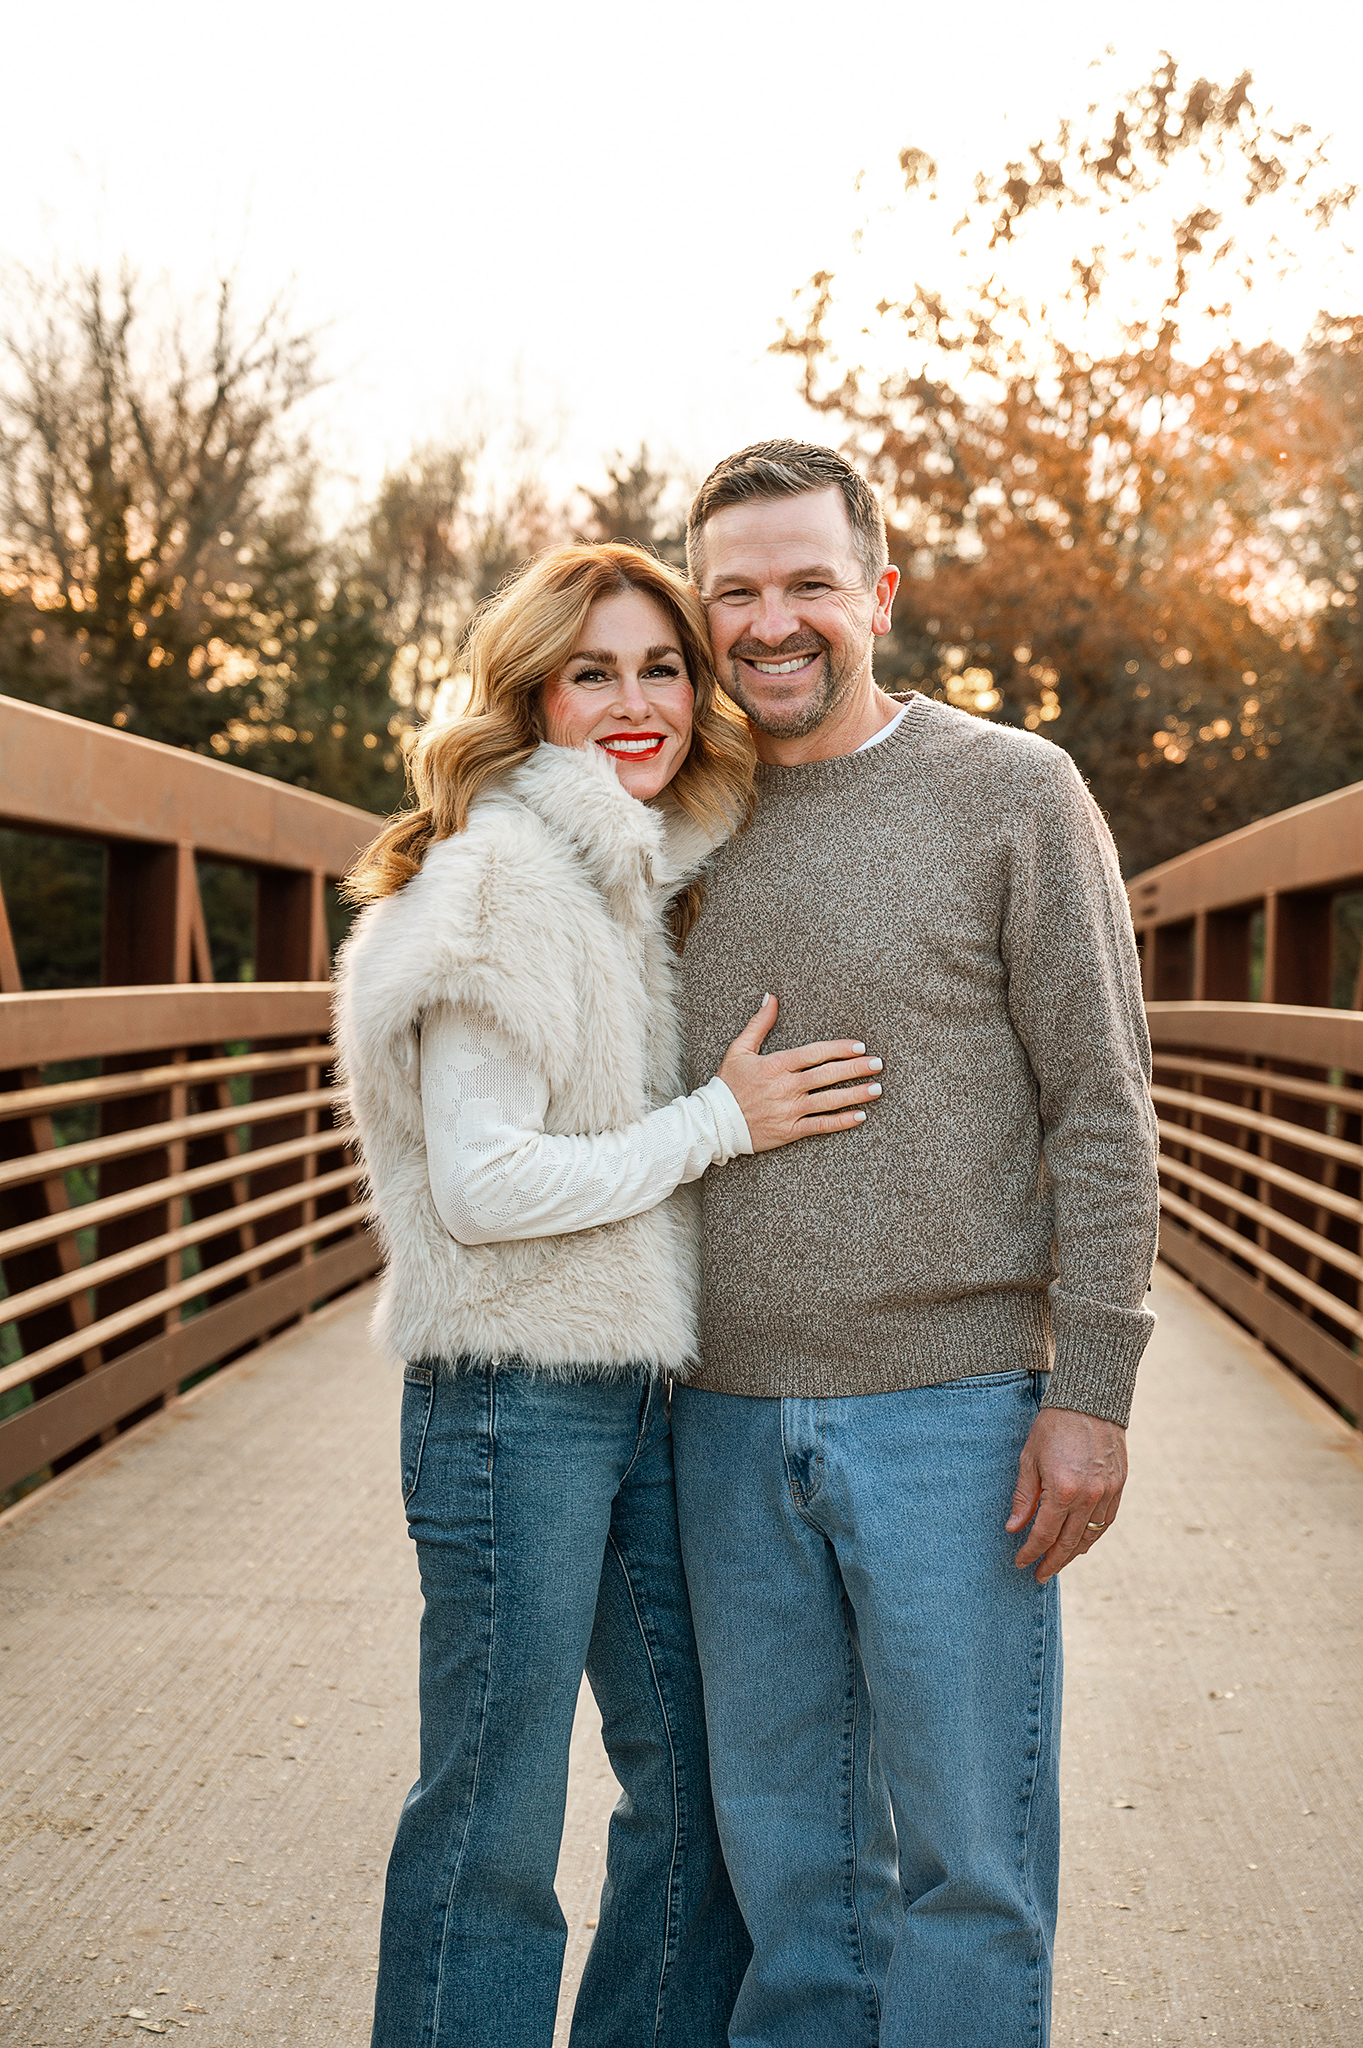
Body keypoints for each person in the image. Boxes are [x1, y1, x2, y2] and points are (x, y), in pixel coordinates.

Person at [334, 540, 885, 2048]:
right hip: (512, 1405)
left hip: (634, 1393)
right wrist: (723, 1119)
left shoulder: (630, 874)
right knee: (494, 1825)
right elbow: (482, 1186)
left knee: (702, 1793)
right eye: (595, 672)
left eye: (661, 667)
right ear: (533, 698)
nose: (636, 702)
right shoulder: (504, 875)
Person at [670, 441, 1161, 2048]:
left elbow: (1103, 1102)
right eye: (733, 590)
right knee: (795, 1883)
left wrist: (1091, 1392)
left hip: (957, 1417)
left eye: (809, 581)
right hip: (722, 1420)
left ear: (876, 593)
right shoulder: (670, 820)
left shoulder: (1013, 792)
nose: (771, 622)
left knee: (970, 1871)